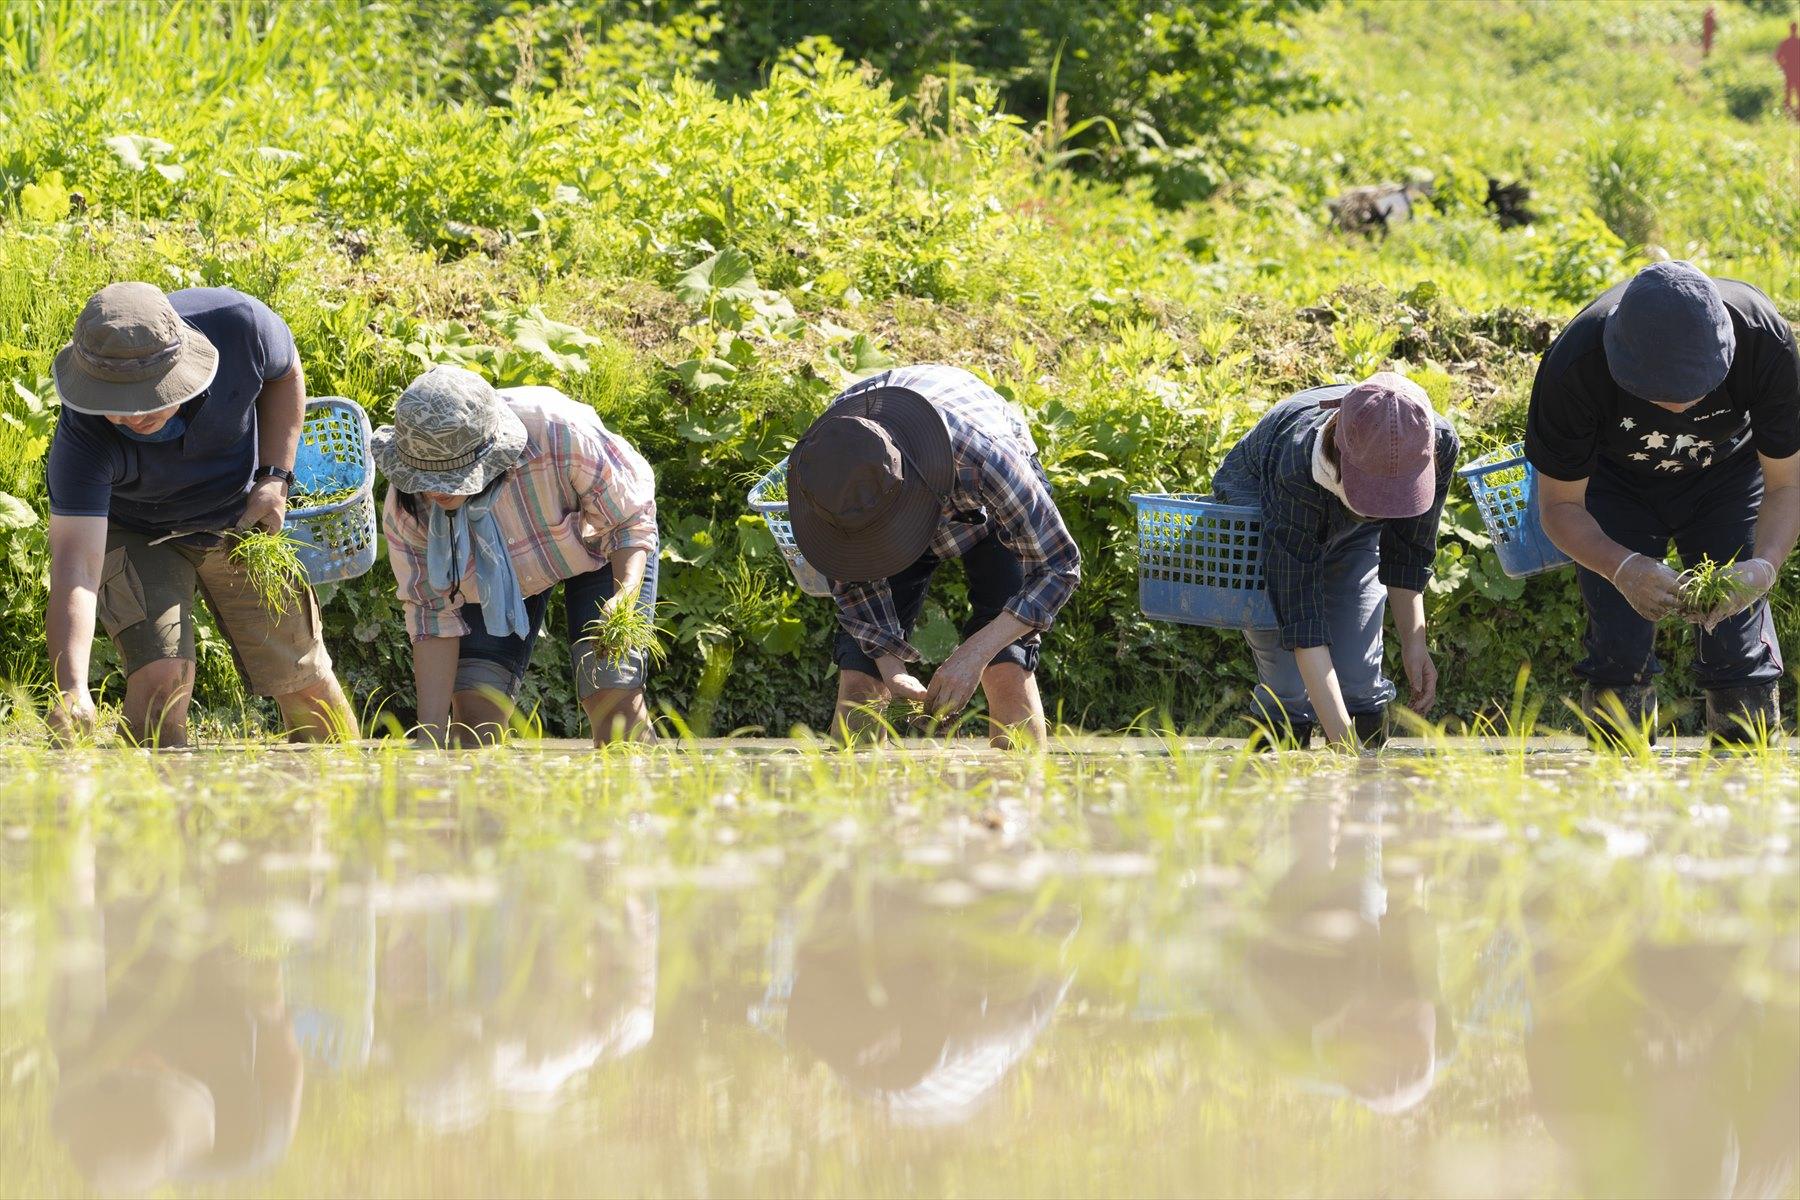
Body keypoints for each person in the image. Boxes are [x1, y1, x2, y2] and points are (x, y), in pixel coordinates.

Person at [44, 282, 355, 747]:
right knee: (163, 680)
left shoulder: (238, 324)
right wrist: (70, 688)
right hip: (138, 529)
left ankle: (339, 807)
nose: (133, 416)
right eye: (117, 402)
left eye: (150, 396)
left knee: (303, 678)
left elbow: (285, 373)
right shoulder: (81, 439)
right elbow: (77, 569)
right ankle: (157, 814)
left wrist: (274, 478)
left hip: (240, 517)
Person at [1525, 262, 1798, 743]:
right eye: (1658, 397)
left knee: (1738, 647)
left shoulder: (1763, 339)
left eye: (1696, 393)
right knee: (1619, 650)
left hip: (1727, 480)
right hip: (1614, 485)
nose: (1680, 410)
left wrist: (1765, 567)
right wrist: (1622, 566)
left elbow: (1787, 487)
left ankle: (1744, 788)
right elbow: (1559, 506)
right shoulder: (1574, 363)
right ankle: (1616, 788)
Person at [784, 364, 1081, 747]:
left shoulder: (985, 457)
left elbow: (1058, 567)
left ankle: (1017, 798)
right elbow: (854, 585)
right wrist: (891, 671)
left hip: (982, 498)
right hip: (883, 495)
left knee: (1005, 669)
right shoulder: (828, 477)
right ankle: (850, 800)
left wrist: (974, 654)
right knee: (860, 687)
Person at [374, 366, 658, 746]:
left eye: (450, 476)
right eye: (424, 477)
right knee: (473, 726)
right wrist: (428, 739)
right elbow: (431, 614)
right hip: (487, 583)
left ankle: (648, 801)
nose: (434, 492)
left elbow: (628, 523)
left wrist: (623, 597)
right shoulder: (407, 507)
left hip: (599, 548)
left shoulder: (559, 433)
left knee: (614, 701)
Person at [1210, 372, 1459, 748]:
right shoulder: (1295, 463)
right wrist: (1346, 753)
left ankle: (1369, 767)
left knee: (1359, 682)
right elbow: (1301, 617)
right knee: (1288, 690)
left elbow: (1409, 548)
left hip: (1352, 524)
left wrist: (1414, 642)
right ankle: (1280, 785)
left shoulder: (1432, 442)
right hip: (1265, 508)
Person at [1779, 21, 1800, 119]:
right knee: (1797, 91)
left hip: (1788, 72)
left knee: (1788, 93)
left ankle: (1788, 114)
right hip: (1797, 71)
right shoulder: (1798, 42)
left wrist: (1783, 67)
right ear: (1796, 29)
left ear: (1790, 29)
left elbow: (1778, 57)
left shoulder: (1785, 42)